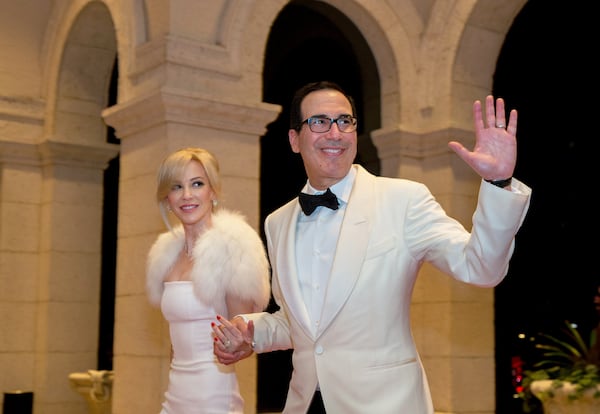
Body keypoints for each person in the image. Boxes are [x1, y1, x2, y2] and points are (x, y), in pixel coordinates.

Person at [212, 81, 532, 413]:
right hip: (306, 402)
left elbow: (480, 268)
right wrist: (250, 332)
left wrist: (498, 183)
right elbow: (301, 324)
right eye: (319, 122)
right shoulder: (278, 222)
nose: (334, 133)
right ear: (295, 139)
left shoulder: (403, 199)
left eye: (344, 121)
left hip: (385, 403)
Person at [146, 147, 271, 414]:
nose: (187, 195)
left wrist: (240, 344)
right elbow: (176, 341)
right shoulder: (166, 254)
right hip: (175, 394)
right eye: (177, 186)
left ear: (213, 192)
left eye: (197, 184)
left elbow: (245, 337)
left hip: (214, 396)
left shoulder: (232, 249)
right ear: (167, 198)